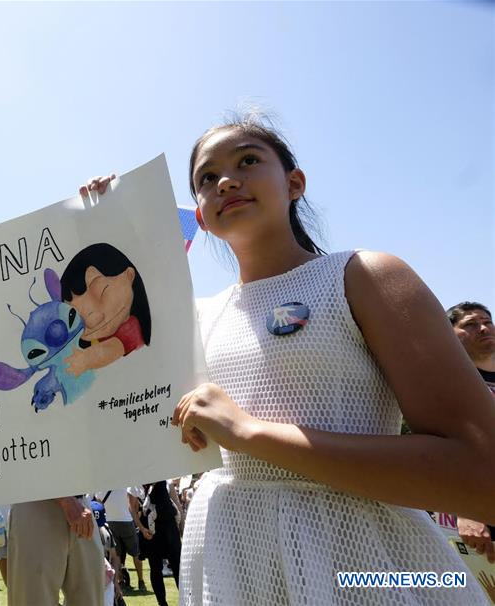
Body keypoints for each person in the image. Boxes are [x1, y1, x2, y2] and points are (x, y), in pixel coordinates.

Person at [84, 113, 494, 604]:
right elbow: (107, 370)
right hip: (229, 569)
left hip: (365, 573)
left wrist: (248, 433)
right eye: (207, 178)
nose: (226, 181)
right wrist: (102, 223)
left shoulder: (362, 276)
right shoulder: (192, 319)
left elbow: (481, 473)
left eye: (248, 161)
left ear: (294, 183)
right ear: (200, 215)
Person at [447, 302, 495, 563]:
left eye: (487, 321)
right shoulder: (447, 381)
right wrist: (465, 509)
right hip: (481, 514)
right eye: (471, 325)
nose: (484, 328)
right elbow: (442, 445)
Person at [60, 243, 152, 377]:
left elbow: (114, 348)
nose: (91, 320)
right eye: (77, 314)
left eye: (101, 292)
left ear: (129, 275)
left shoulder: (131, 327)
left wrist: (86, 359)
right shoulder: (90, 339)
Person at [7, 496, 104, 606]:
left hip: (82, 504)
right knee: (34, 599)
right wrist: (65, 499)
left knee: (91, 598)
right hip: (34, 503)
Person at [129, 482, 181, 606]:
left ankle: (184, 600)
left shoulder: (167, 481)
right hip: (152, 530)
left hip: (167, 528)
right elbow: (132, 509)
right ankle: (162, 603)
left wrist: (180, 525)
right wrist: (142, 529)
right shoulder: (135, 485)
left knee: (177, 567)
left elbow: (176, 504)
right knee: (156, 568)